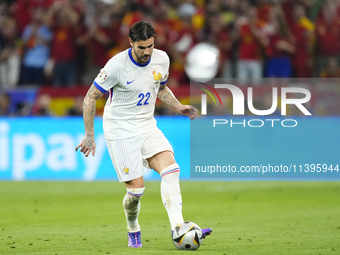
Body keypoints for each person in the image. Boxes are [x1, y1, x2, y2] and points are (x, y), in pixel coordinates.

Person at [76, 21, 212, 248]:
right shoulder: (116, 65)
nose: (147, 52)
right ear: (131, 43)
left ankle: (178, 228)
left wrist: (178, 106)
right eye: (141, 47)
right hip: (119, 129)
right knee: (136, 191)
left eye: (150, 45)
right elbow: (90, 98)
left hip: (147, 124)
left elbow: (160, 87)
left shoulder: (162, 58)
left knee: (171, 169)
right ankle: (132, 227)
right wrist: (90, 135)